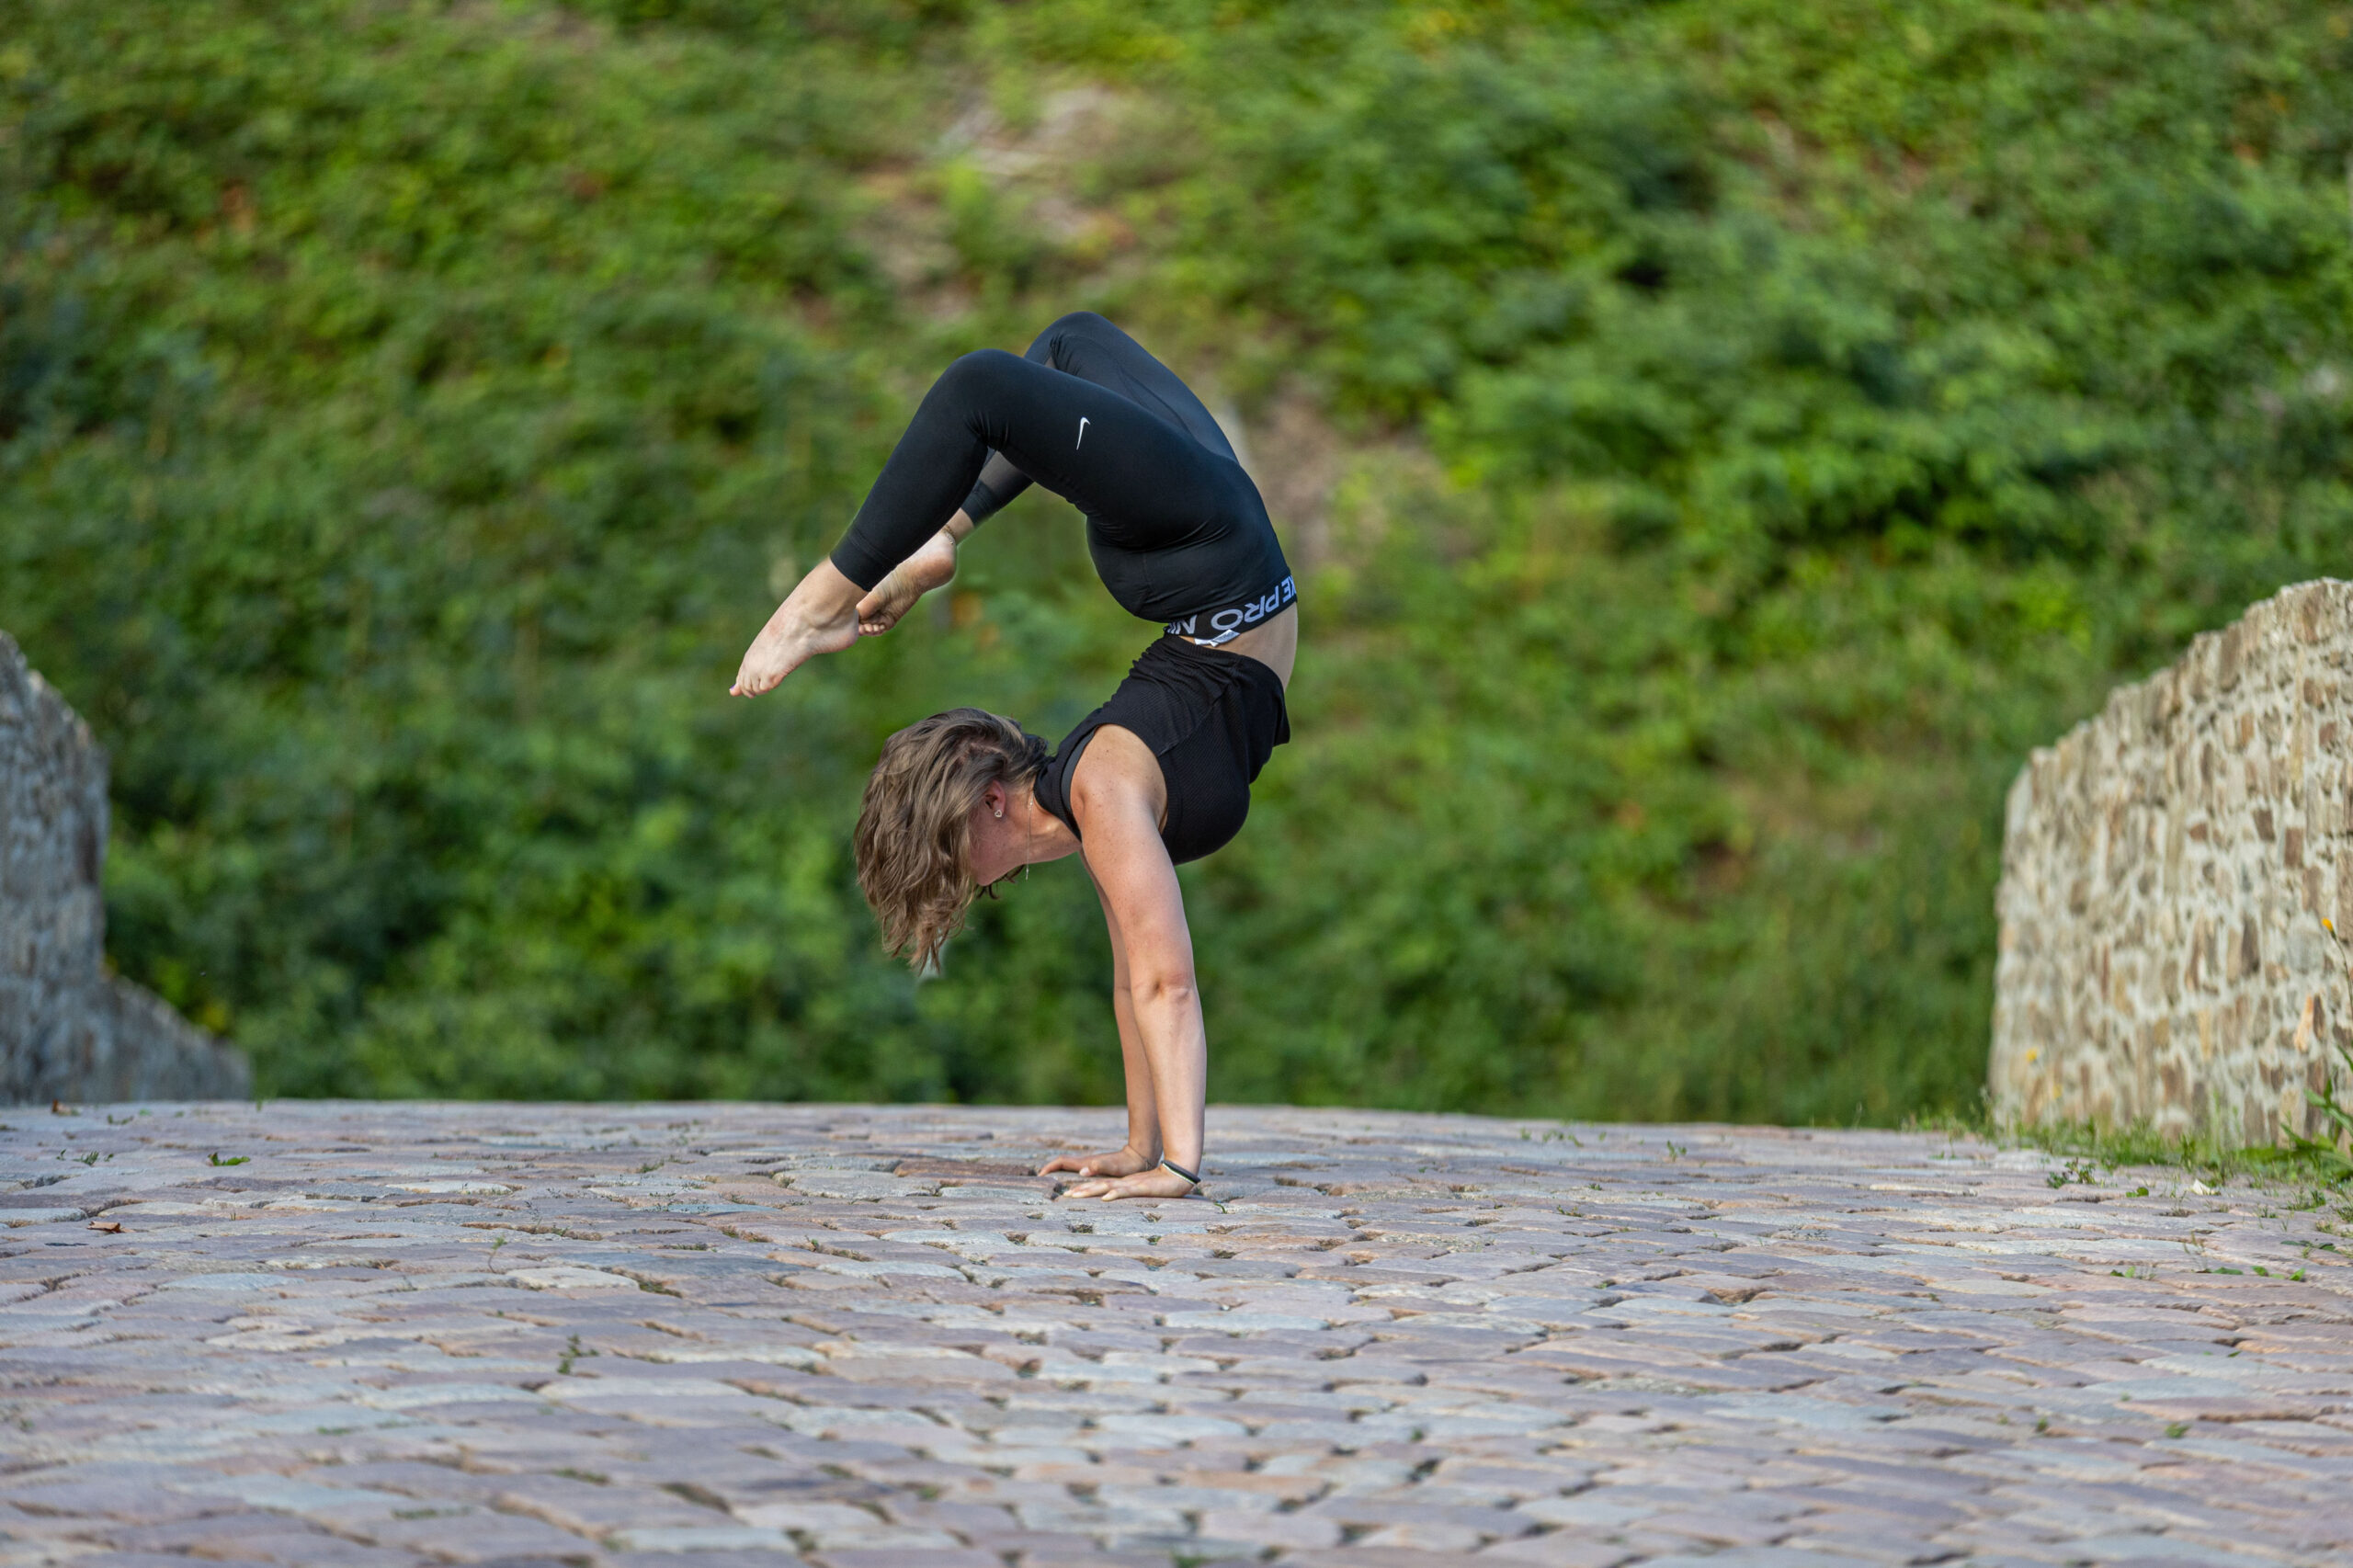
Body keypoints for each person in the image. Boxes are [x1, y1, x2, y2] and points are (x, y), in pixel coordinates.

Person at [731, 312, 1297, 1202]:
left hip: (1199, 550)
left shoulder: (1103, 788)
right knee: (1068, 341)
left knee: (984, 389)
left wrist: (1178, 1167)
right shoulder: (1096, 799)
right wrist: (1137, 1146)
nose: (978, 887)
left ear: (990, 801)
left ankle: (821, 599)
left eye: (959, 865)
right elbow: (1129, 981)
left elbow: (1166, 981)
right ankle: (940, 536)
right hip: (1214, 542)